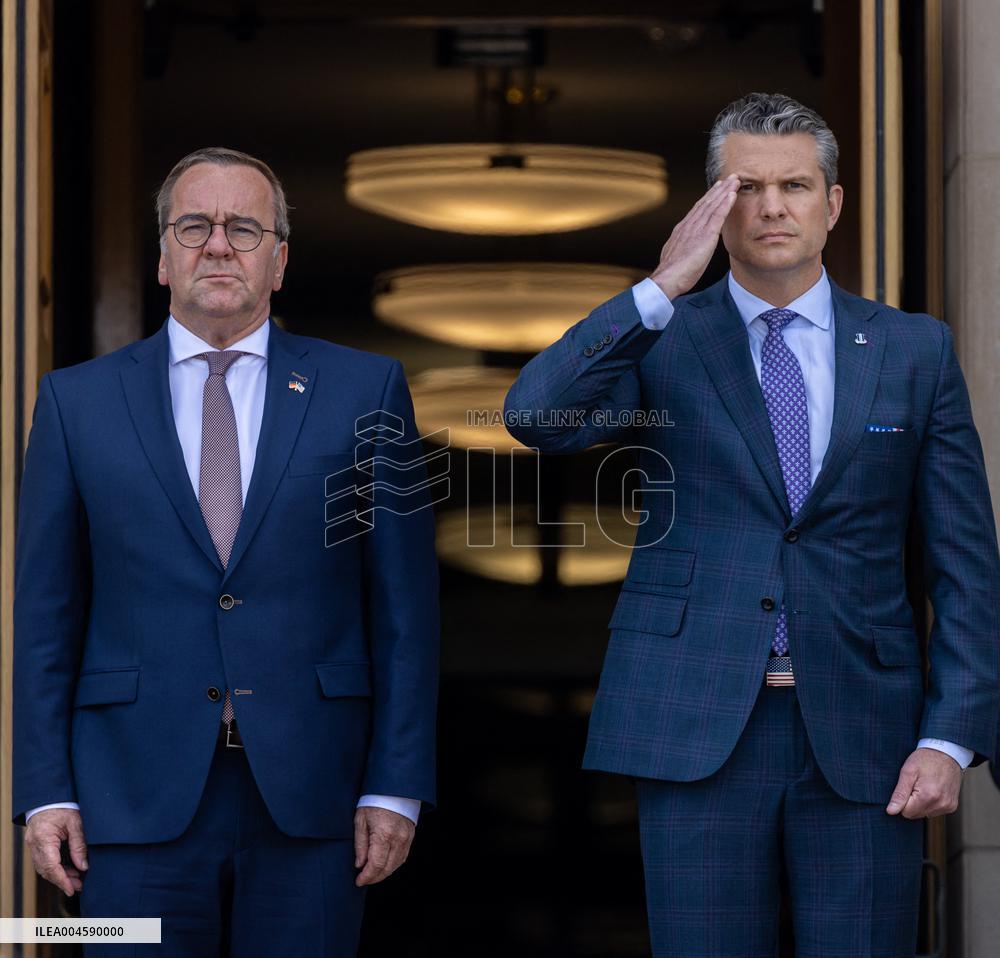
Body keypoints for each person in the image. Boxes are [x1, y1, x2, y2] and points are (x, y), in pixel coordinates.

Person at [504, 93, 1000, 957]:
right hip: (694, 724)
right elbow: (537, 418)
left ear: (832, 203)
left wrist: (950, 737)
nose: (772, 207)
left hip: (869, 735)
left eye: (795, 186)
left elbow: (966, 565)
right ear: (714, 207)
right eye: (747, 187)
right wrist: (658, 287)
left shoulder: (914, 350)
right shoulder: (663, 339)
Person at [12, 147, 439, 956]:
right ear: (163, 257)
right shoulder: (75, 401)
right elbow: (45, 613)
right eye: (194, 226)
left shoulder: (367, 388)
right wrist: (43, 794)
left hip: (316, 798)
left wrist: (397, 784)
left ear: (279, 261)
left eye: (243, 229)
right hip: (126, 802)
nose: (217, 245)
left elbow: (404, 609)